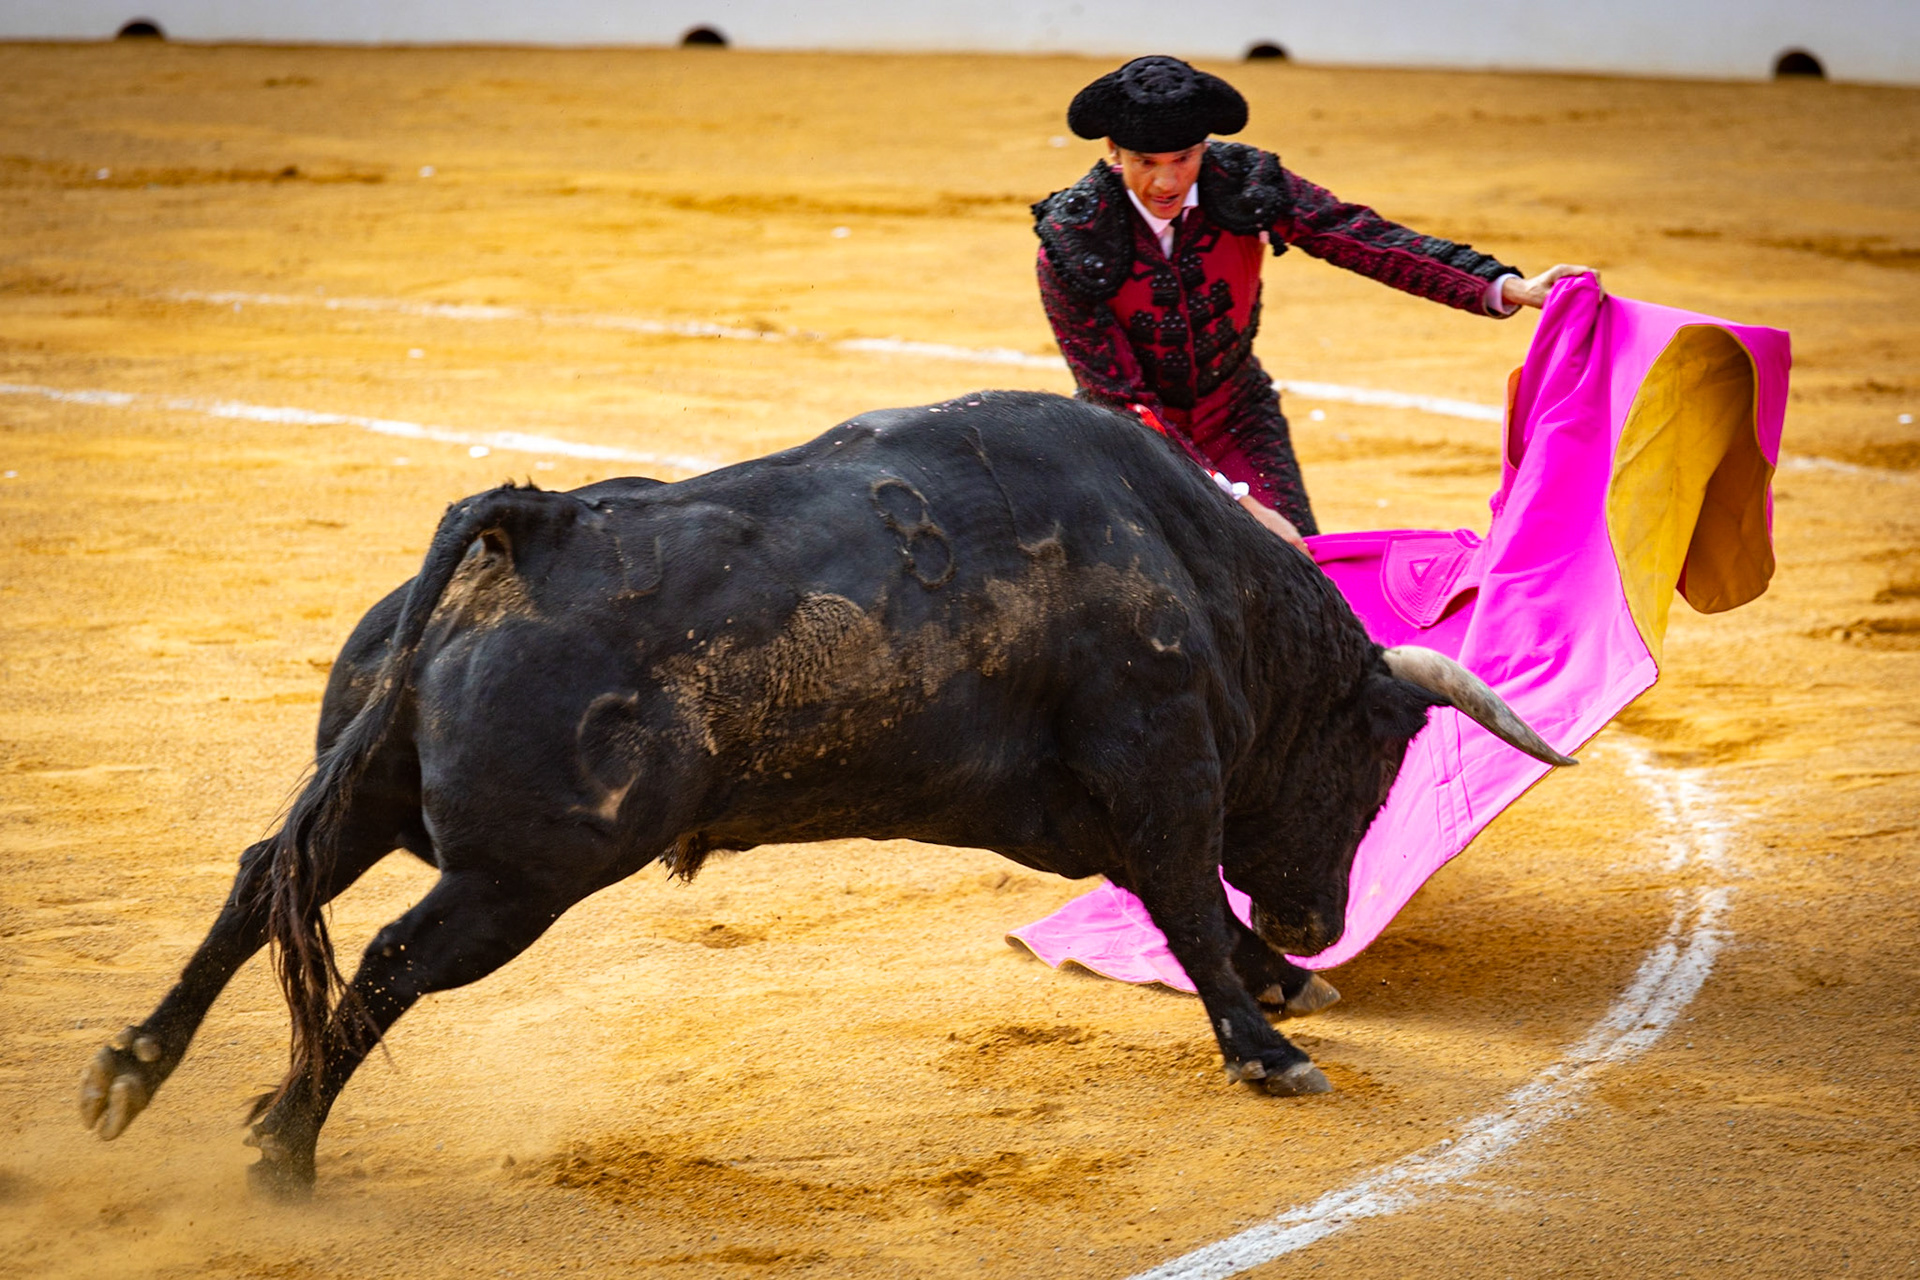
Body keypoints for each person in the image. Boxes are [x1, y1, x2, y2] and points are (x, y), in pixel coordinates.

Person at [1033, 56, 1599, 551]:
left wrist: (1503, 284)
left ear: (1204, 147)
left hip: (1236, 416)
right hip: (1132, 442)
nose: (1166, 182)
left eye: (1182, 158)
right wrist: (1237, 501)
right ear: (1113, 151)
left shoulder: (1245, 183)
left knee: (1302, 581)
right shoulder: (1073, 239)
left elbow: (1357, 235)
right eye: (1145, 162)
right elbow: (1119, 396)